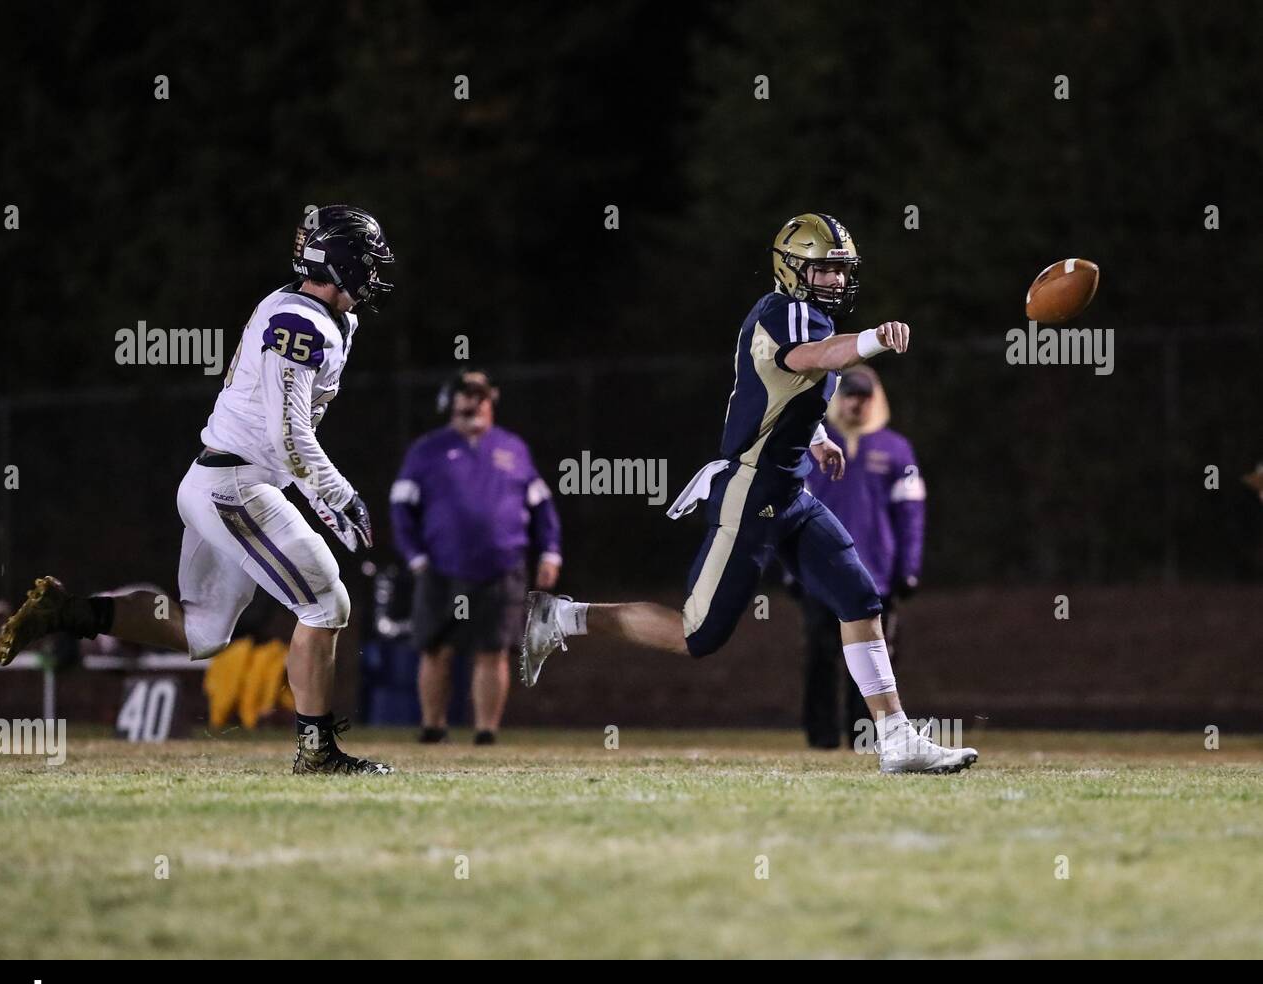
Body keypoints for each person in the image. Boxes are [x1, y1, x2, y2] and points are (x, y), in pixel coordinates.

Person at [519, 212, 976, 774]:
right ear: (792, 269)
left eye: (841, 270)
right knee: (698, 635)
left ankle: (895, 736)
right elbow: (813, 358)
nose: (836, 280)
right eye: (825, 269)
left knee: (860, 599)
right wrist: (874, 340)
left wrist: (816, 437)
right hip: (749, 489)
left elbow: (783, 394)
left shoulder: (805, 314)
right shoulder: (780, 312)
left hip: (791, 491)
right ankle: (565, 617)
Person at [0, 205, 395, 775]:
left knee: (203, 632)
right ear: (344, 261)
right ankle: (317, 752)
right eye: (369, 260)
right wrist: (336, 494)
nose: (375, 273)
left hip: (218, 479)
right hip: (238, 485)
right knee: (327, 604)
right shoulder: (301, 322)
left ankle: (71, 612)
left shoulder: (316, 315)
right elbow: (288, 434)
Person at [391, 369, 561, 744]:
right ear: (449, 401)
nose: (474, 402)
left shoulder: (512, 448)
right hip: (441, 568)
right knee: (435, 649)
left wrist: (551, 552)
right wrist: (414, 555)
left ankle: (486, 732)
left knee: (493, 649)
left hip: (501, 567)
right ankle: (433, 727)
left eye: (480, 395)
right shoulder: (427, 450)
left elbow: (542, 504)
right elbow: (401, 507)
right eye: (465, 394)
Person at [801, 366, 925, 749]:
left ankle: (867, 740)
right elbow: (792, 504)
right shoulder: (812, 444)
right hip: (820, 571)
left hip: (876, 575)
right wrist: (791, 566)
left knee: (875, 658)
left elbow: (911, 514)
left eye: (863, 395)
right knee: (821, 657)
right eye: (848, 393)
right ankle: (821, 739)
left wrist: (909, 569)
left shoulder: (895, 449)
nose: (855, 402)